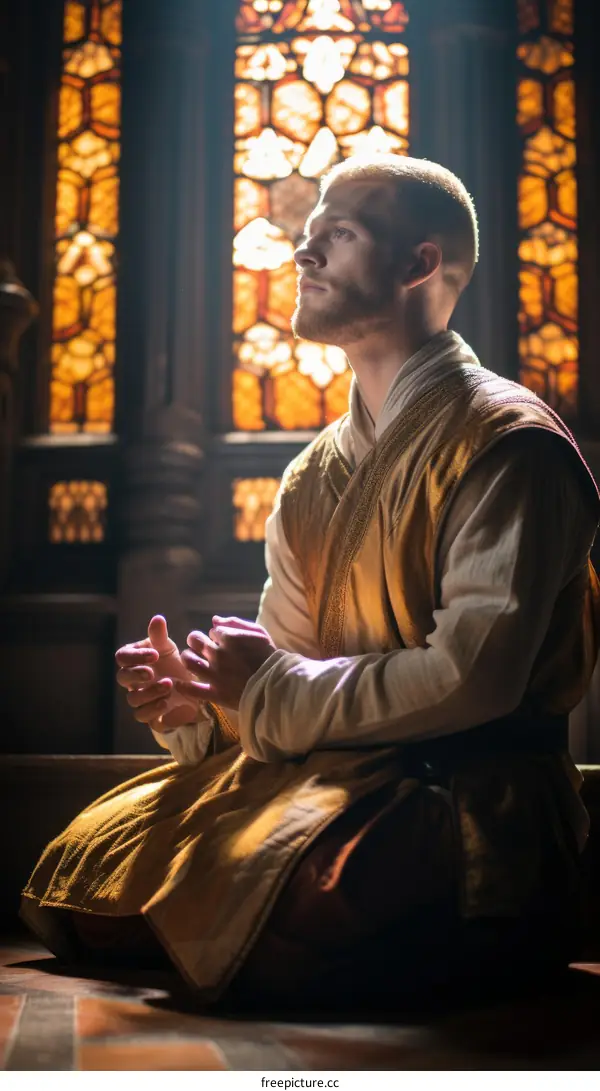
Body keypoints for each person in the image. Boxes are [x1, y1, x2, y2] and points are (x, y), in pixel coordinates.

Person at [21, 154, 600, 1011]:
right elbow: (280, 672)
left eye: (339, 234)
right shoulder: (312, 474)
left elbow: (474, 677)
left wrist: (270, 691)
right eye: (307, 236)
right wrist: (204, 704)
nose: (305, 253)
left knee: (278, 907)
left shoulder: (509, 444)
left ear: (419, 265)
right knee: (83, 863)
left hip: (469, 796)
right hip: (331, 778)